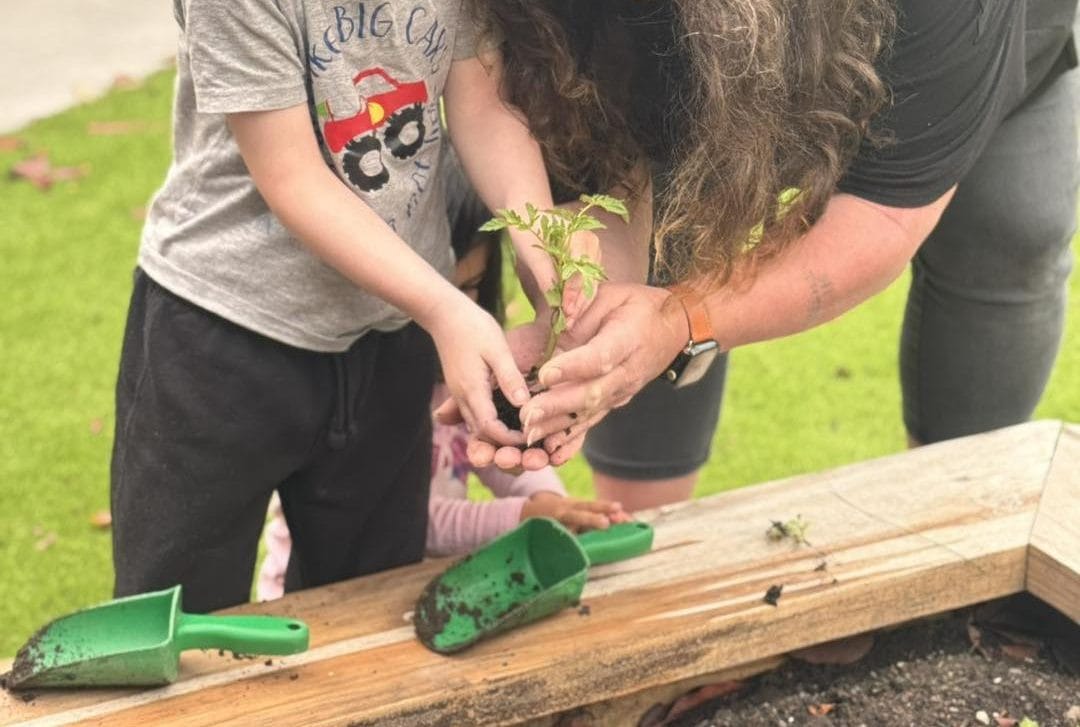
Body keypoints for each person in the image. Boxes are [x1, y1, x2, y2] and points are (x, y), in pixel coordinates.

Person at [452, 0, 1079, 508]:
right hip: (681, 50)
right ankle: (652, 549)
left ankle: (954, 534)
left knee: (1012, 228)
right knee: (670, 258)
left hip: (962, 46)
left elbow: (885, 213)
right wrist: (585, 336)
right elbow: (600, 157)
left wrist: (683, 320)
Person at [110, 0, 594, 613]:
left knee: (373, 609)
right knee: (178, 619)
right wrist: (445, 308)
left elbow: (483, 101)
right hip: (223, 335)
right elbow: (292, 178)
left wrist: (540, 245)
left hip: (390, 331)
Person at [257, 168, 627, 600]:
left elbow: (498, 458)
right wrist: (524, 516)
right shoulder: (363, 386)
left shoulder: (467, 371)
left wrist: (550, 502)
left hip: (416, 588)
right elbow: (404, 517)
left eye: (469, 286)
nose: (457, 316)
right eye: (439, 295)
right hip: (313, 600)